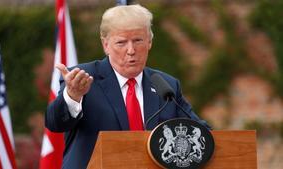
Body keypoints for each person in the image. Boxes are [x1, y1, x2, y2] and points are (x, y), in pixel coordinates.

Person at [45, 4, 210, 169]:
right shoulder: (82, 78)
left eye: (138, 40)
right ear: (106, 45)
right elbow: (55, 124)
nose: (131, 50)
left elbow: (202, 132)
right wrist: (73, 97)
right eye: (121, 42)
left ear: (150, 42)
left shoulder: (166, 85)